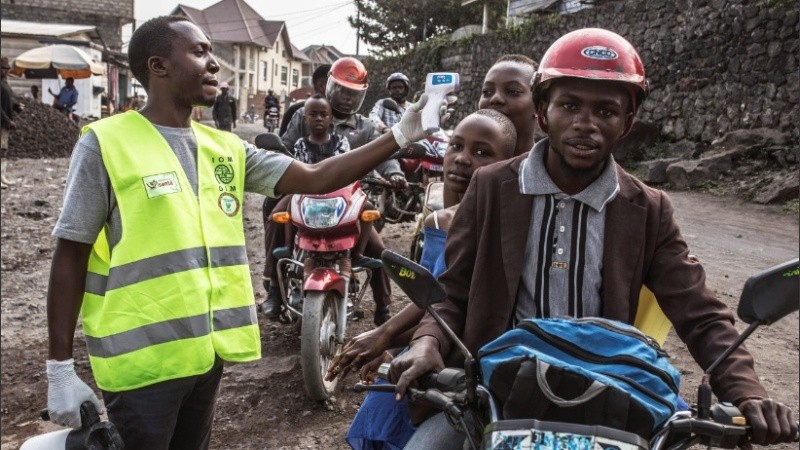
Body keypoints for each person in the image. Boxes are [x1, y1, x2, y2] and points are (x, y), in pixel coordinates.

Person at [389, 28, 797, 449]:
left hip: (609, 398)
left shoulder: (647, 208)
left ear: (627, 123)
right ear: (543, 114)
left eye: (606, 111)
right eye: (569, 106)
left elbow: (700, 313)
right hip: (495, 395)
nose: (585, 124)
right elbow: (453, 290)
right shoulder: (492, 187)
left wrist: (748, 393)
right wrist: (426, 342)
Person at [43, 15, 436, 449]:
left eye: (212, 52)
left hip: (205, 358)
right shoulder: (105, 143)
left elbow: (317, 177)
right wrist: (59, 366)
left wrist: (399, 136)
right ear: (159, 67)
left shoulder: (225, 147)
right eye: (199, 52)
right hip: (142, 367)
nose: (214, 64)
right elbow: (71, 252)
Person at [328, 110, 517, 450]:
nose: (462, 158)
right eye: (456, 146)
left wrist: (386, 334)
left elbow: (451, 297)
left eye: (481, 152)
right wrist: (394, 341)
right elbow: (426, 297)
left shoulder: (500, 227)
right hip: (426, 344)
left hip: (461, 359)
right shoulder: (436, 220)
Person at [263, 57, 406, 325]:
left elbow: (383, 154)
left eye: (353, 93)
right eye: (341, 90)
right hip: (303, 191)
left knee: (378, 247)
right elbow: (284, 148)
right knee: (275, 219)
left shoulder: (364, 128)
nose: (347, 98)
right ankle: (274, 289)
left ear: (361, 96)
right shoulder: (305, 114)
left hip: (347, 198)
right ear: (329, 86)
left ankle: (383, 307)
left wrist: (395, 172)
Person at [279, 64, 330, 136]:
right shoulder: (296, 111)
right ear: (322, 86)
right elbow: (283, 145)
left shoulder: (344, 114)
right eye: (336, 85)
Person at [1, 56, 24, 189]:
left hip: (5, 123)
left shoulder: (5, 83)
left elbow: (8, 100)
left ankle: (2, 176)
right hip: (2, 121)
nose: (6, 71)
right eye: (3, 69)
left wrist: (16, 106)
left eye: (7, 69)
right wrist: (7, 120)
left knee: (3, 150)